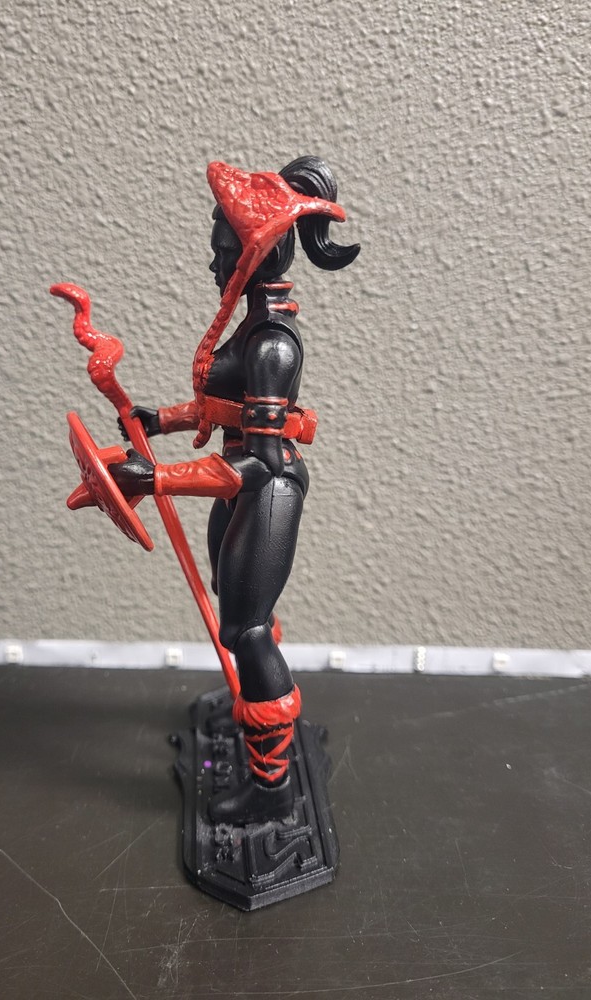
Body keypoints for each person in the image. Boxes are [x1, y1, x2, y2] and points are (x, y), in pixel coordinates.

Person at [110, 157, 358, 823]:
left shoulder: (271, 344)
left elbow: (262, 462)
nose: (214, 263)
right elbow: (223, 411)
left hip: (265, 489)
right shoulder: (250, 326)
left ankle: (271, 786)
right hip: (240, 483)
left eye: (224, 252)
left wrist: (158, 478)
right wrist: (159, 421)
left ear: (255, 254)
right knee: (235, 598)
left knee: (246, 628)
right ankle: (254, 703)